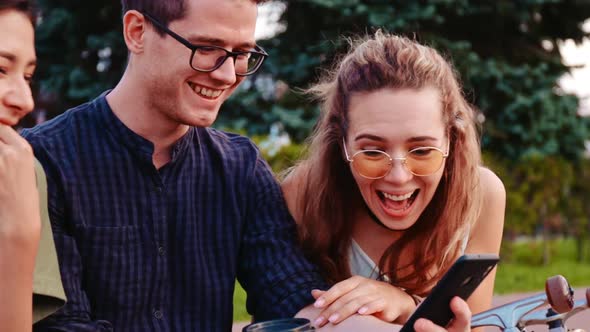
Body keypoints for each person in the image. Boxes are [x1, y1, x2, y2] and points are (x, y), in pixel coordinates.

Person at [282, 31, 506, 331]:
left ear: (451, 140)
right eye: (372, 151)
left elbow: (481, 325)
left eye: (422, 150)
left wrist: (405, 305)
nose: (399, 177)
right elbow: (279, 317)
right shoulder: (302, 193)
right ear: (342, 143)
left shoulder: (482, 195)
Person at [0, 0, 66, 330]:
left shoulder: (21, 174)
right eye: (0, 70)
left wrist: (20, 236)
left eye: (28, 76)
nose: (24, 101)